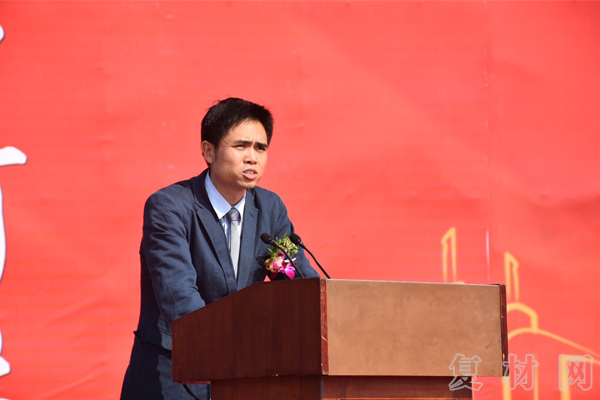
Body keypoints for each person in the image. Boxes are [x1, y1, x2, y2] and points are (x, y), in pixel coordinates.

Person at [120, 98, 319, 400]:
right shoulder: (170, 207)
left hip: (240, 377)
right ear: (208, 151)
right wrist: (231, 350)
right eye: (241, 146)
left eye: (260, 148)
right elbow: (179, 296)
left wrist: (324, 310)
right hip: (173, 374)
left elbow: (294, 279)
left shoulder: (270, 209)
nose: (252, 158)